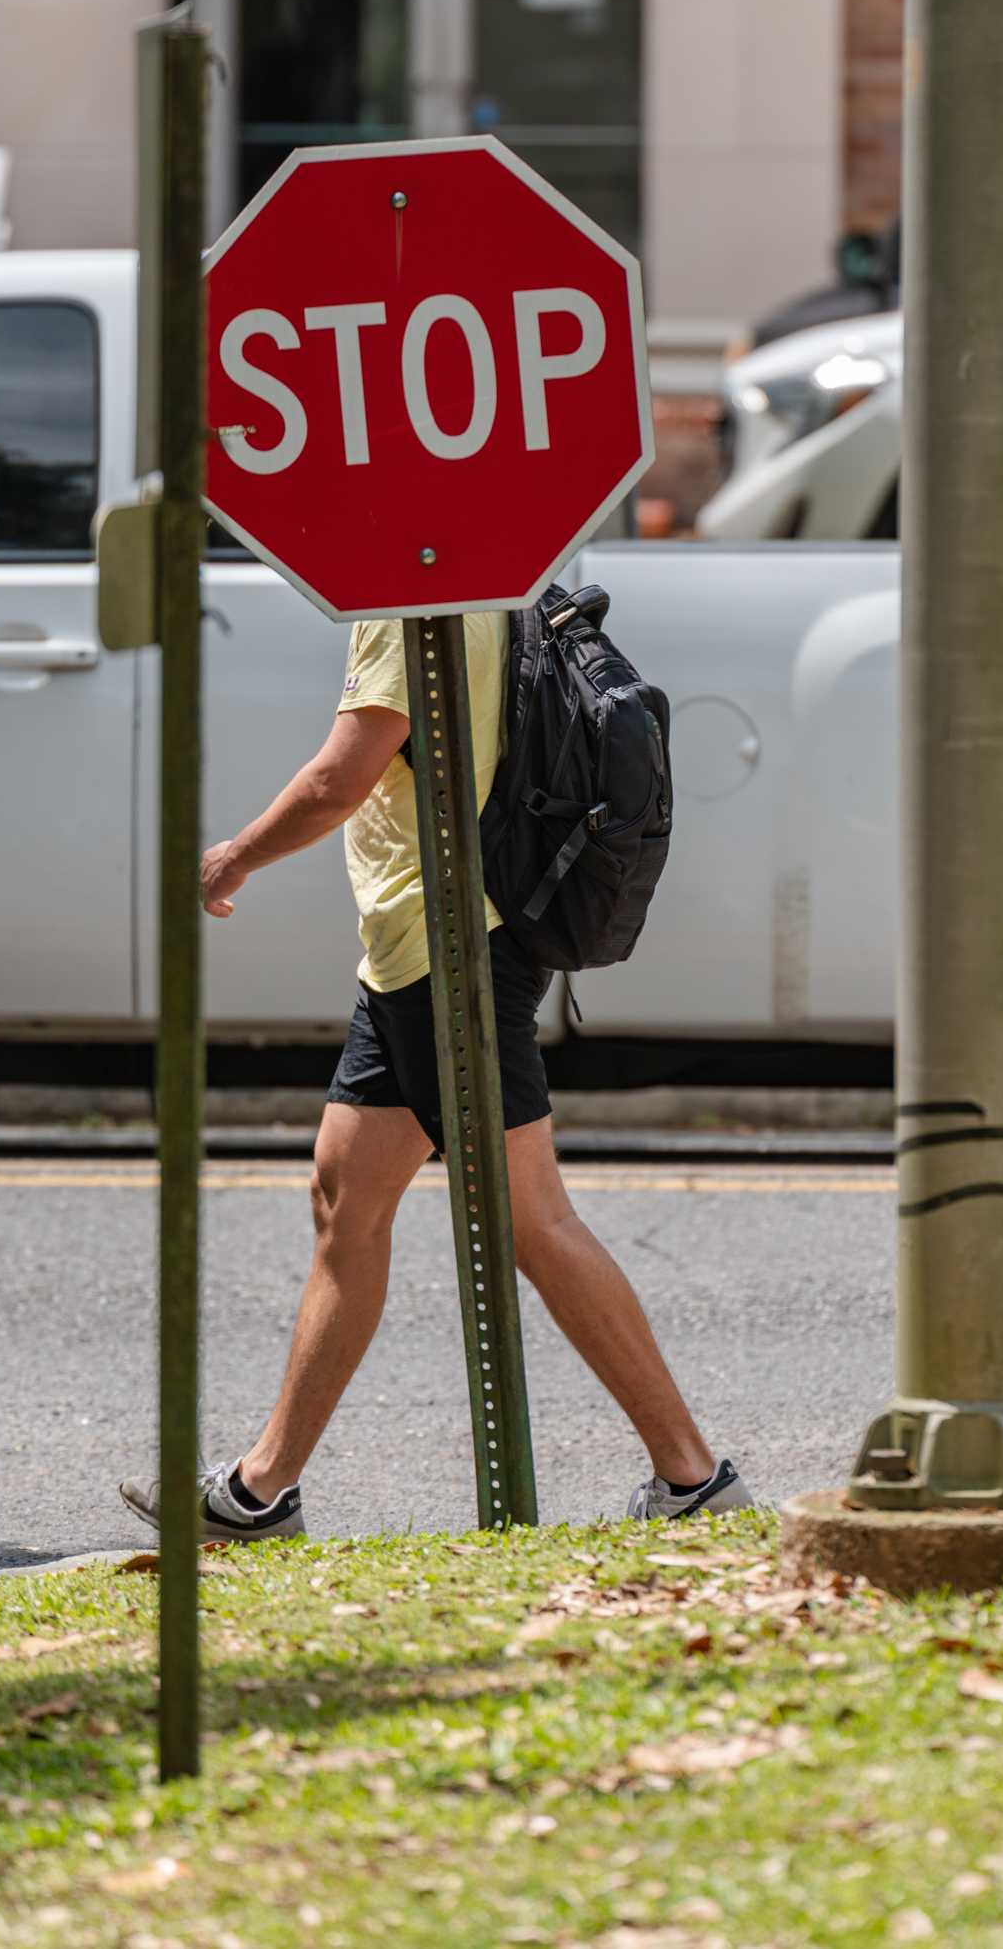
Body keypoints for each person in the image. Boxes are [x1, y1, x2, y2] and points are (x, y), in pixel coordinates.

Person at [119, 611, 751, 1541]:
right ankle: (260, 1493)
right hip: (421, 950)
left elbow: (344, 775)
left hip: (452, 948)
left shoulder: (409, 601)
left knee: (532, 1222)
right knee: (347, 1200)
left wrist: (232, 857)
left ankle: (694, 1480)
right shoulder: (483, 584)